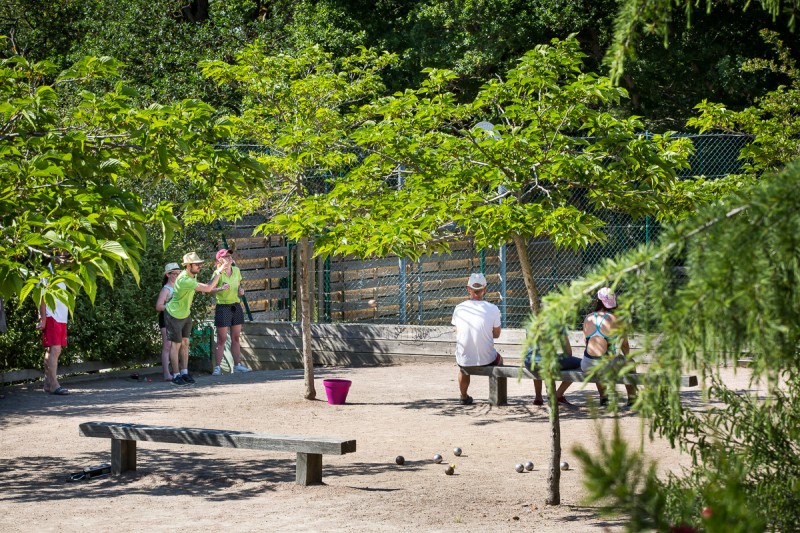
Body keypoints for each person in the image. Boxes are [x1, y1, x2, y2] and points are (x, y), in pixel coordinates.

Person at [164, 252, 227, 386]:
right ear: (188, 266)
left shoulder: (190, 276)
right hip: (174, 314)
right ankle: (176, 375)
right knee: (176, 345)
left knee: (185, 343)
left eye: (200, 264)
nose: (200, 266)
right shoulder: (184, 279)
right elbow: (208, 287)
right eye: (197, 264)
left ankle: (184, 373)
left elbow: (208, 287)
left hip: (185, 314)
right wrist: (220, 271)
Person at [451, 273, 503, 405]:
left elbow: (457, 330)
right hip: (488, 359)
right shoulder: (493, 309)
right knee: (500, 360)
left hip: (464, 359)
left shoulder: (459, 308)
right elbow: (496, 335)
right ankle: (496, 396)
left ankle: (463, 396)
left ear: (469, 288)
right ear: (485, 289)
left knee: (463, 367)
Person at [581, 287, 638, 406]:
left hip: (586, 364)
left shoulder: (588, 318)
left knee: (596, 361)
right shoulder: (617, 319)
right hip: (607, 365)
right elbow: (625, 345)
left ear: (597, 300)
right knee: (630, 364)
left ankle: (604, 397)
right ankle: (632, 399)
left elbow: (587, 344)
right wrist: (627, 358)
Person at [211, 249, 251, 375]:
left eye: (229, 256)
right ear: (219, 260)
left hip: (235, 306)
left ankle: (237, 365)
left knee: (236, 338)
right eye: (225, 256)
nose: (229, 258)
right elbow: (210, 289)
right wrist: (220, 288)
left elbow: (239, 286)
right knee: (222, 339)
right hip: (222, 307)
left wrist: (241, 290)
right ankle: (217, 367)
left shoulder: (237, 270)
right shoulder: (217, 273)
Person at [37, 254, 70, 395]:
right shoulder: (47, 272)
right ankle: (54, 385)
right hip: (52, 316)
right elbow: (41, 296)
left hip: (62, 316)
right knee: (55, 350)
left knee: (54, 351)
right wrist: (42, 318)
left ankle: (47, 384)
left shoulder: (64, 272)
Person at [525, 330, 581, 406]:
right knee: (581, 364)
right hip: (546, 362)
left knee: (536, 357)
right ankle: (558, 395)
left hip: (528, 361)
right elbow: (568, 353)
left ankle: (538, 398)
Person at [155, 262, 181, 381]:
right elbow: (158, 306)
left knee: (177, 345)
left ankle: (177, 371)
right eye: (174, 273)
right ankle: (166, 373)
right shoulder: (166, 289)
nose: (176, 275)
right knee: (167, 345)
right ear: (168, 275)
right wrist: (171, 307)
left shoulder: (179, 287)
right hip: (166, 318)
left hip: (177, 318)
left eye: (178, 273)